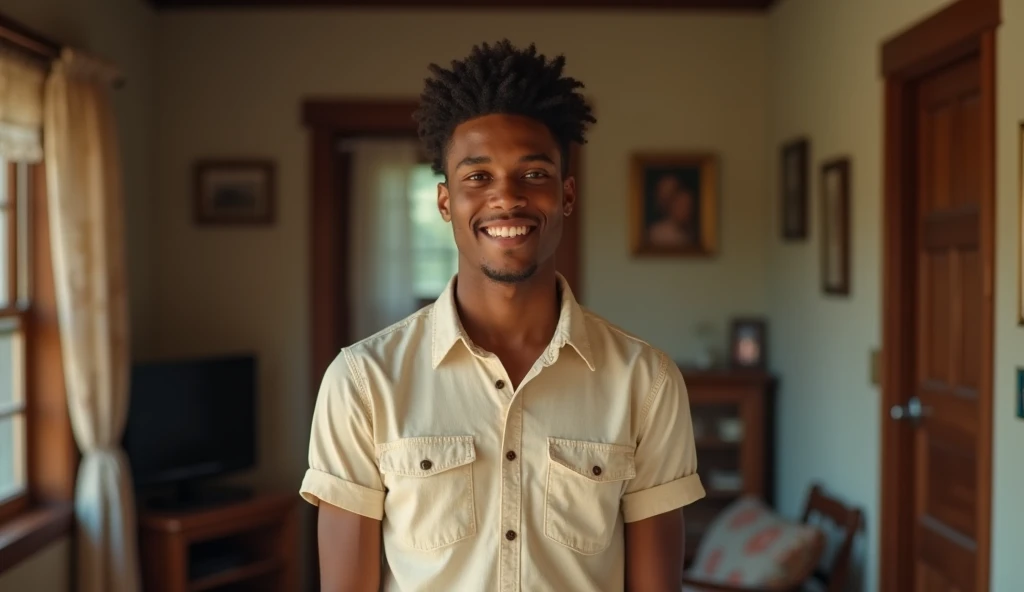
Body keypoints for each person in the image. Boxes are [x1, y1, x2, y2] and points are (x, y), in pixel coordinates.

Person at [300, 39, 705, 592]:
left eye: (533, 174)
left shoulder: (647, 382)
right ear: (445, 203)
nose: (507, 198)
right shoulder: (362, 382)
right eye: (478, 177)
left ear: (566, 195)